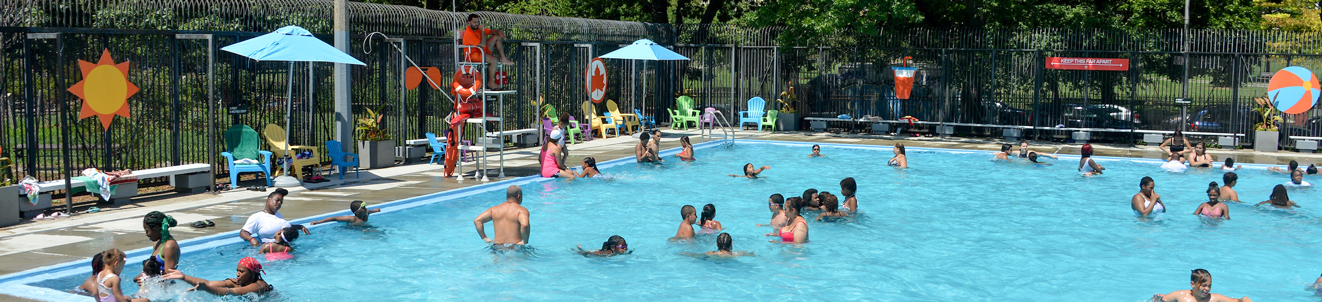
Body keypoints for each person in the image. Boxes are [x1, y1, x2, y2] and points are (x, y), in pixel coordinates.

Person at [162, 257, 272, 296]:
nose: (237, 274)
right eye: (237, 270)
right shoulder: (238, 282)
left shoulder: (258, 286)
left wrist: (206, 289)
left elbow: (231, 292)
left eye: (241, 271)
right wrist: (184, 277)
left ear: (252, 273)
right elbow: (209, 283)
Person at [240, 189, 309, 246]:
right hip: (272, 250)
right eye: (277, 200)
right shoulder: (257, 217)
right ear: (269, 199)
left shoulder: (278, 215)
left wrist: (299, 226)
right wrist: (251, 239)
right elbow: (243, 232)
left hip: (288, 248)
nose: (279, 203)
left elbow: (283, 227)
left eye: (281, 202)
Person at [462, 14, 514, 89]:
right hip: (473, 55)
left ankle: (503, 58)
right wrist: (482, 31)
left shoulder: (477, 29)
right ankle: (491, 82)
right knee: (494, 60)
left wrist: (499, 32)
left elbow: (491, 31)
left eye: (478, 22)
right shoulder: (469, 33)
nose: (477, 24)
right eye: (474, 22)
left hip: (481, 51)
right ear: (468, 22)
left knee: (496, 37)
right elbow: (483, 44)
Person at [1151, 269, 1253, 302]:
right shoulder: (1180, 296)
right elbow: (1161, 299)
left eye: (1209, 286)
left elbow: (1239, 301)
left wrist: (1245, 299)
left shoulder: (1214, 298)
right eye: (1204, 285)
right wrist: (1158, 299)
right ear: (1192, 284)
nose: (1207, 289)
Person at [311, 200, 380, 226]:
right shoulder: (352, 219)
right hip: (354, 229)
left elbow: (372, 210)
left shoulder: (366, 213)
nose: (366, 209)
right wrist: (319, 222)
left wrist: (376, 210)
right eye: (363, 208)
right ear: (357, 212)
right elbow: (334, 218)